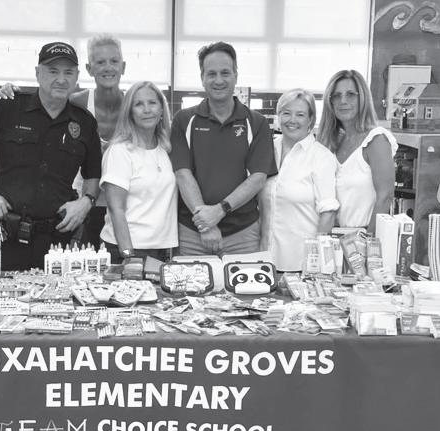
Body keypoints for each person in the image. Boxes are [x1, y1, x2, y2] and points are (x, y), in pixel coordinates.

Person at [0, 42, 102, 270]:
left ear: (77, 77)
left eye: (68, 72)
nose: (61, 79)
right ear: (37, 73)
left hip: (58, 239)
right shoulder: (8, 107)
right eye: (53, 71)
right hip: (6, 235)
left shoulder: (85, 122)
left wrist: (86, 202)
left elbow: (93, 173)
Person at [0, 34, 126, 249]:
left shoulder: (136, 107)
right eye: (100, 62)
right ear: (89, 69)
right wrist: (9, 93)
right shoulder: (76, 103)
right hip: (79, 209)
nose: (108, 68)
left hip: (124, 206)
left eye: (114, 61)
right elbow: (43, 103)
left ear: (123, 66)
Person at [170, 41, 276, 256]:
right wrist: (205, 224)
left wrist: (219, 211)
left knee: (246, 281)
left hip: (242, 235)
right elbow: (183, 175)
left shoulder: (257, 123)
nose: (218, 80)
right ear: (202, 77)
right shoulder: (184, 120)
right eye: (211, 74)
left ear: (236, 75)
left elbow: (257, 178)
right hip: (193, 233)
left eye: (225, 73)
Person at [259, 88, 339, 272]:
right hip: (262, 259)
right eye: (286, 113)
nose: (292, 120)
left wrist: (315, 263)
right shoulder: (266, 148)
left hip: (299, 264)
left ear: (311, 119)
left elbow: (328, 213)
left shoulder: (321, 157)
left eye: (300, 114)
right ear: (278, 116)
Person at [99, 81, 177, 263]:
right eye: (139, 104)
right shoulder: (120, 151)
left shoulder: (165, 148)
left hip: (162, 249)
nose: (147, 110)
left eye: (152, 103)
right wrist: (128, 255)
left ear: (161, 109)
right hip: (127, 249)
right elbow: (116, 209)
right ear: (129, 112)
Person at [317, 69, 397, 234]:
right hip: (330, 237)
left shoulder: (376, 139)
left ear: (363, 98)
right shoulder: (330, 143)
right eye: (336, 96)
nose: (343, 101)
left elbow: (385, 197)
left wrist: (367, 241)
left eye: (351, 94)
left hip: (363, 236)